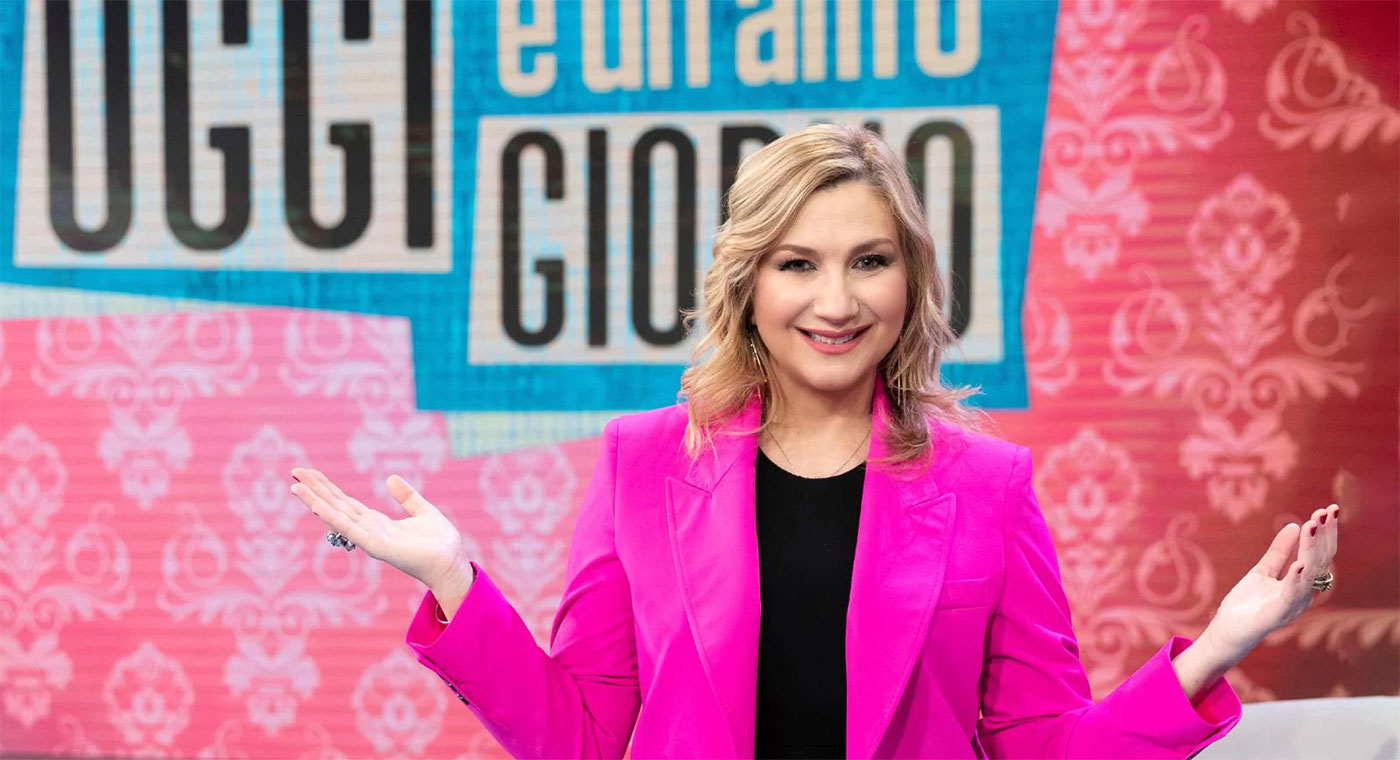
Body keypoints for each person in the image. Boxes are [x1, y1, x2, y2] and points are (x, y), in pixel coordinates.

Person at [290, 123, 1340, 759]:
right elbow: (584, 737)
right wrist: (454, 580)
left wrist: (1214, 647)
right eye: (796, 264)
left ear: (910, 280)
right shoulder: (642, 462)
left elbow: (1044, 748)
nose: (835, 302)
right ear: (747, 283)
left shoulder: (989, 484)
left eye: (869, 261)